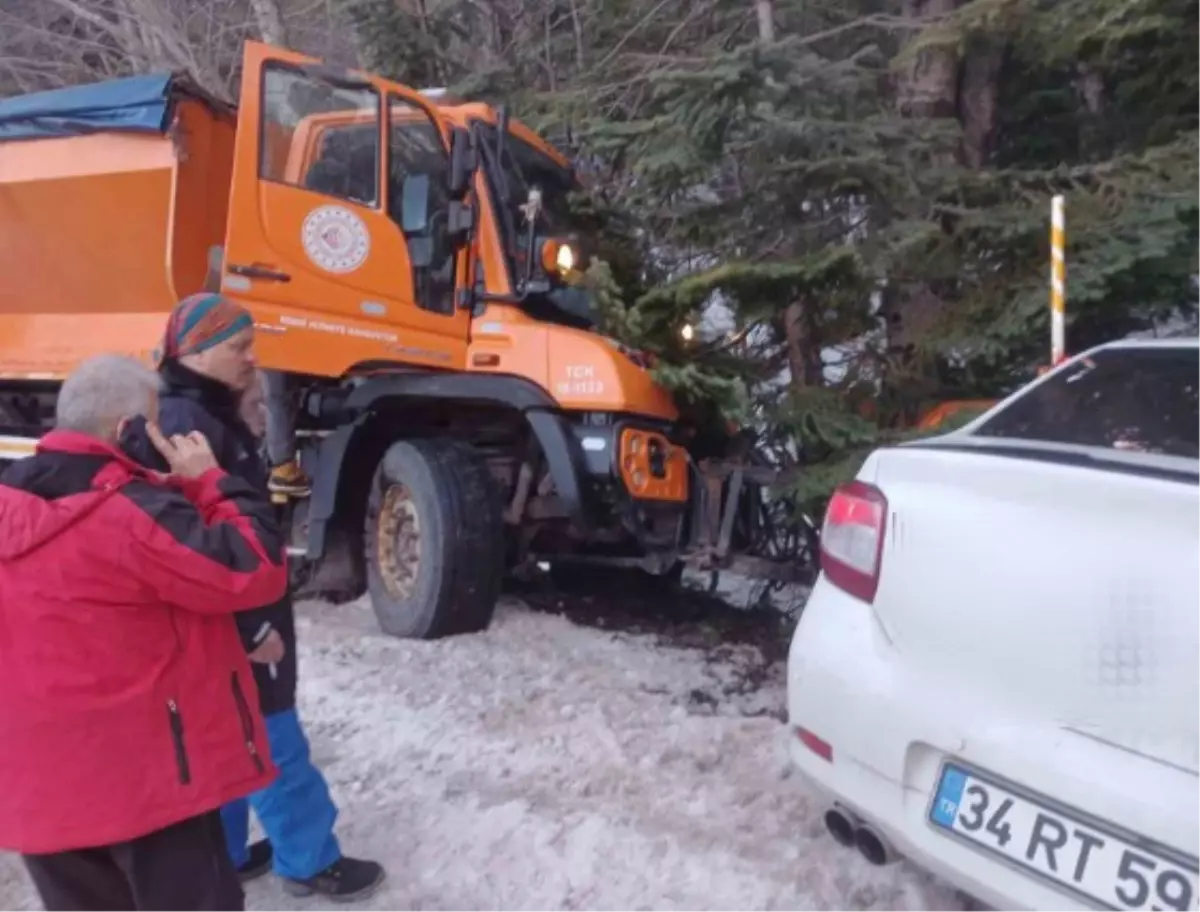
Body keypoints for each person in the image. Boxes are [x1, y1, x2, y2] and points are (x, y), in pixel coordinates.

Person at [0, 354, 288, 912]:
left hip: (40, 794)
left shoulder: (14, 506)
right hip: (147, 788)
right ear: (129, 431)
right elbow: (253, 569)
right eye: (157, 422)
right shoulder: (131, 517)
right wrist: (210, 482)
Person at [122, 291, 385, 901]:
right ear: (196, 351)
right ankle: (309, 860)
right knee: (271, 738)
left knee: (230, 732)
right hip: (238, 618)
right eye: (238, 347)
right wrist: (250, 629)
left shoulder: (191, 413)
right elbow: (205, 547)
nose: (251, 358)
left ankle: (231, 852)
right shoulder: (192, 426)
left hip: (227, 616)